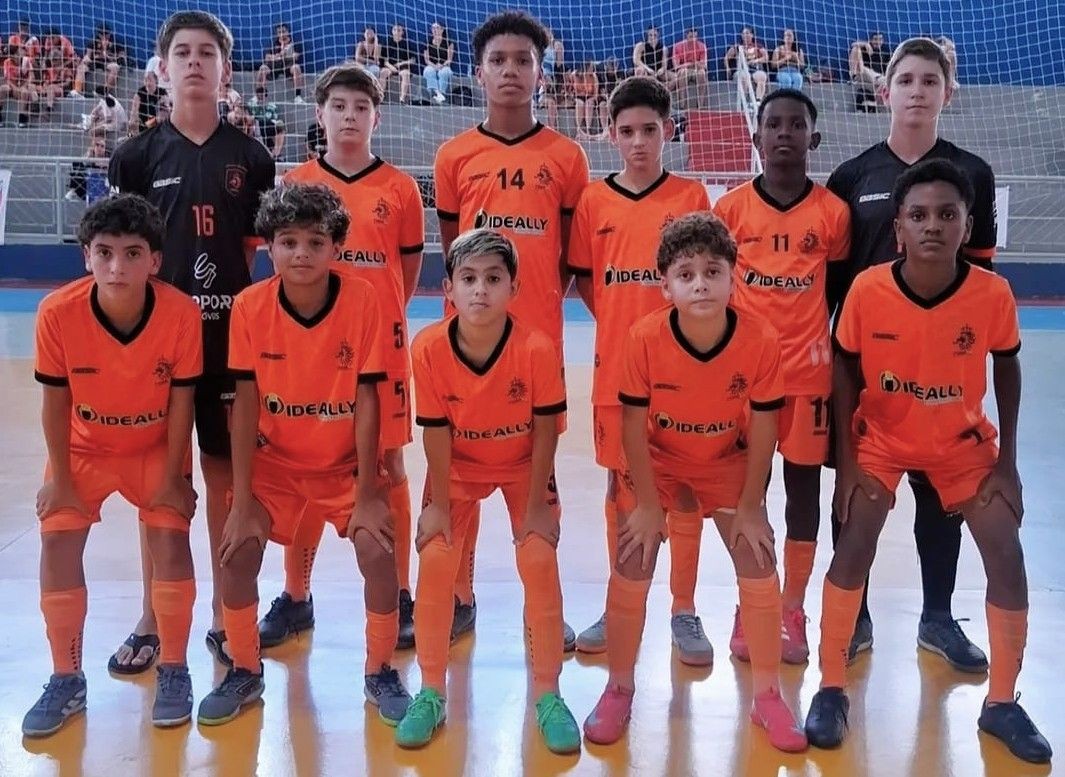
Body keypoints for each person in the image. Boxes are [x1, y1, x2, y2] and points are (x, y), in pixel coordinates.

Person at [804, 159, 1052, 766]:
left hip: (962, 447)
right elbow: (843, 365)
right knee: (853, 546)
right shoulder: (868, 290)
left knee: (1007, 552)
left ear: (967, 226)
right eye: (918, 215)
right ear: (899, 229)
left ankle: (1001, 703)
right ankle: (831, 685)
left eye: (947, 214)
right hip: (883, 441)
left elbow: (1009, 364)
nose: (933, 225)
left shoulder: (991, 293)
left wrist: (1008, 464)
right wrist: (849, 458)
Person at [581, 212, 806, 753]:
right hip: (659, 462)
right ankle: (619, 687)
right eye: (686, 273)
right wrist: (647, 505)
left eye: (713, 271)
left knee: (757, 556)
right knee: (633, 557)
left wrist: (752, 506)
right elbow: (632, 427)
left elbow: (766, 427)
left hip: (727, 463)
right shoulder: (644, 337)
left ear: (735, 278)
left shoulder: (759, 339)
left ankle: (769, 697)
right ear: (666, 285)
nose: (700, 282)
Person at [195, 182, 411, 726]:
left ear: (336, 246)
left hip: (342, 467)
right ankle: (245, 668)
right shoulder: (249, 306)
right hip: (277, 467)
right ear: (268, 246)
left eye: (315, 242)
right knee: (236, 555)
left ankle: (380, 670)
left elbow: (368, 399)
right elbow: (242, 403)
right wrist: (241, 500)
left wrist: (367, 492)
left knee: (380, 555)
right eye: (288, 241)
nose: (301, 254)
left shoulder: (363, 300)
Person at [108, 10, 276, 674]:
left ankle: (223, 614)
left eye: (208, 52)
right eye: (182, 52)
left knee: (227, 484)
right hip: (158, 352)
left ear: (225, 69)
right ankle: (154, 614)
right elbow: (122, 254)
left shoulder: (251, 157)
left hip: (230, 348)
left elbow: (252, 252)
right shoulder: (137, 155)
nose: (195, 61)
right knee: (164, 485)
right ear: (164, 67)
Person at [825, 37, 998, 673]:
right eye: (906, 80)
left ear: (947, 94)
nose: (918, 91)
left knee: (939, 496)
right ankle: (856, 615)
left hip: (944, 370)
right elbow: (836, 286)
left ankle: (937, 618)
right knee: (857, 492)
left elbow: (982, 282)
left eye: (930, 81)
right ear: (885, 91)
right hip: (869, 368)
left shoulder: (972, 173)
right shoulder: (853, 176)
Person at [433, 10, 589, 646]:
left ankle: (540, 610)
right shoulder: (454, 155)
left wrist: (535, 314)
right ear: (479, 72)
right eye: (498, 60)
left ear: (539, 73)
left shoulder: (566, 156)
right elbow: (454, 248)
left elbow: (573, 259)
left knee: (536, 485)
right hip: (463, 354)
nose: (510, 71)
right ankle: (460, 598)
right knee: (461, 485)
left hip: (537, 352)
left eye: (523, 60)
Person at [22, 194, 202, 737]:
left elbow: (182, 403)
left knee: (170, 538)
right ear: (86, 257)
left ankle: (173, 667)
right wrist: (62, 479)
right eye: (104, 253)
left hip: (153, 449)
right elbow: (55, 403)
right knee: (57, 539)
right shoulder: (57, 312)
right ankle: (66, 677)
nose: (116, 267)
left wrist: (173, 477)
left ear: (155, 261)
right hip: (85, 450)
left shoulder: (179, 313)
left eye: (131, 253)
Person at [397, 228, 580, 754]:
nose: (481, 290)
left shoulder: (537, 348)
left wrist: (539, 506)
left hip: (524, 463)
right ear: (448, 289)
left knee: (540, 560)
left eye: (493, 279)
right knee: (435, 561)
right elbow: (435, 429)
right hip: (457, 467)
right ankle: (432, 690)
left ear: (513, 288)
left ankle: (548, 693)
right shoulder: (428, 347)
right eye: (469, 279)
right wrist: (435, 504)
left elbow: (546, 428)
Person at [275, 64, 424, 652]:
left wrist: (376, 315)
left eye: (361, 108)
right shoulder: (297, 182)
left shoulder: (399, 188)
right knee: (306, 468)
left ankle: (402, 593)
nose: (349, 117)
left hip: (380, 348)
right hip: (312, 353)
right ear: (321, 115)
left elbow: (406, 272)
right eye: (338, 107)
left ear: (376, 118)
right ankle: (294, 595)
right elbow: (286, 268)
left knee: (389, 465)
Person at [568, 76, 711, 660]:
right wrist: (624, 325)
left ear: (667, 132)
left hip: (685, 375)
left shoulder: (691, 197)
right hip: (616, 376)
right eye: (626, 131)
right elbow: (584, 276)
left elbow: (707, 279)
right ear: (610, 135)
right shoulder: (595, 202)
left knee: (683, 489)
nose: (638, 141)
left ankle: (684, 608)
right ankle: (619, 600)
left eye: (649, 130)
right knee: (622, 489)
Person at [713, 89, 850, 663]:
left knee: (802, 493)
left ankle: (792, 604)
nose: (785, 133)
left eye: (797, 125)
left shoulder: (832, 214)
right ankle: (754, 599)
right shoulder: (731, 211)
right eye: (774, 124)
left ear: (813, 139)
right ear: (756, 137)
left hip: (808, 381)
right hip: (747, 384)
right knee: (749, 491)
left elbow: (837, 292)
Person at [71, 25, 125, 98]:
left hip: (108, 62)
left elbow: (121, 56)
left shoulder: (115, 42)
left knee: (115, 68)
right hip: (94, 62)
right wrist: (86, 60)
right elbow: (88, 55)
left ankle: (103, 91)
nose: (104, 36)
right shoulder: (93, 41)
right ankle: (77, 92)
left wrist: (110, 57)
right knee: (81, 67)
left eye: (106, 34)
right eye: (102, 34)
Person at [256, 23, 304, 103]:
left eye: (283, 31)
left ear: (288, 32)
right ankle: (258, 96)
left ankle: (298, 97)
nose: (282, 34)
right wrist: (280, 55)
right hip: (275, 68)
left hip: (288, 68)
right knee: (262, 68)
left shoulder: (294, 43)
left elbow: (295, 56)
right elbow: (267, 57)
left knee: (296, 68)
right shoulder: (274, 43)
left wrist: (282, 56)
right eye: (279, 32)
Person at [724, 25, 769, 103]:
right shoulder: (737, 47)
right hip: (741, 71)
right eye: (743, 34)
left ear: (752, 35)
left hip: (755, 69)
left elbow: (766, 58)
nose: (745, 35)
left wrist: (756, 61)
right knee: (744, 77)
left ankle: (758, 101)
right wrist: (728, 68)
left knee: (762, 76)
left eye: (747, 33)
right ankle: (744, 102)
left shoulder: (758, 46)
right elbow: (726, 58)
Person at [64, 128, 110, 201]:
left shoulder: (109, 156)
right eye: (97, 145)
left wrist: (104, 165)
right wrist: (88, 158)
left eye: (102, 146)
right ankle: (73, 188)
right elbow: (81, 166)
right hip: (88, 186)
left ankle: (74, 188)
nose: (99, 148)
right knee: (77, 163)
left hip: (104, 186)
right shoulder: (89, 154)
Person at [1, 39, 39, 127]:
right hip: (13, 87)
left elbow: (32, 76)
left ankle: (22, 119)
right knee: (3, 88)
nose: (22, 51)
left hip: (23, 87)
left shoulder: (26, 61)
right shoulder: (7, 62)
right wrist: (16, 88)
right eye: (20, 50)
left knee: (25, 92)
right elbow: (8, 80)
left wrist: (23, 86)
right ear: (14, 55)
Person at [849, 32, 890, 111]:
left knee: (887, 82)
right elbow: (853, 45)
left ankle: (873, 103)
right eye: (875, 39)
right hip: (863, 73)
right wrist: (865, 44)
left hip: (878, 77)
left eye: (880, 39)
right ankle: (853, 77)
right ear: (870, 40)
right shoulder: (864, 49)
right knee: (856, 49)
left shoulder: (885, 50)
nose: (878, 41)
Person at [672, 27, 710, 108]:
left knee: (702, 73)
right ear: (686, 35)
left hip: (697, 70)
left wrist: (695, 64)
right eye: (691, 37)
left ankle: (700, 105)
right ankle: (682, 105)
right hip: (684, 70)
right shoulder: (677, 46)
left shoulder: (702, 46)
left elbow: (704, 66)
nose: (693, 39)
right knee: (683, 72)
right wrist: (691, 64)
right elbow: (676, 67)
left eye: (695, 37)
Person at [380, 24, 417, 104]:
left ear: (402, 32)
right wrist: (391, 67)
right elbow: (384, 60)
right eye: (395, 30)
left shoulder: (406, 44)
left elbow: (413, 60)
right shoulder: (387, 43)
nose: (396, 32)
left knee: (406, 74)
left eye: (399, 30)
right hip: (390, 67)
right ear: (392, 31)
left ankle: (402, 99)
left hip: (403, 67)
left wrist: (401, 63)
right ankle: (381, 98)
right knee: (383, 72)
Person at [247, 86, 287, 160]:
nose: (260, 98)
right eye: (259, 96)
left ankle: (276, 154)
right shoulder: (251, 104)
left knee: (280, 124)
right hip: (256, 125)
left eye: (262, 96)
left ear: (266, 96)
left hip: (268, 124)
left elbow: (274, 118)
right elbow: (249, 116)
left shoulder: (272, 106)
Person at [422, 21, 454, 104]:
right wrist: (434, 66)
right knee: (428, 71)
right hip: (432, 65)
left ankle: (441, 93)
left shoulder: (449, 43)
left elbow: (449, 59)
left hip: (444, 66)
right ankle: (437, 93)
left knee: (444, 73)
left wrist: (442, 65)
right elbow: (427, 60)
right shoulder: (427, 43)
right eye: (433, 28)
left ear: (442, 30)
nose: (435, 30)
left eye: (437, 28)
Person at [129, 70, 166, 136]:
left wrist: (148, 124)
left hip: (157, 123)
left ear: (156, 81)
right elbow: (134, 112)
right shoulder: (139, 93)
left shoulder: (162, 93)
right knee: (132, 123)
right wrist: (134, 122)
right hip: (142, 123)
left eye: (149, 79)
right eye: (145, 80)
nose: (147, 83)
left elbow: (162, 116)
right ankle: (130, 137)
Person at [569, 60, 598, 139]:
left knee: (589, 104)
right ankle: (579, 130)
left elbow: (596, 93)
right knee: (580, 104)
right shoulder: (574, 75)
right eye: (591, 67)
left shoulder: (594, 76)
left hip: (589, 97)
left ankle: (588, 130)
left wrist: (593, 99)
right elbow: (569, 88)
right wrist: (571, 96)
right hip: (578, 97)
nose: (592, 69)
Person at [594, 57, 622, 140]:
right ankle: (605, 130)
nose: (613, 70)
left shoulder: (620, 74)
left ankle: (617, 130)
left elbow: (621, 90)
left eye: (615, 68)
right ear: (606, 66)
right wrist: (607, 97)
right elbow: (601, 91)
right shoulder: (601, 74)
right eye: (611, 68)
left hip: (617, 98)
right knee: (603, 104)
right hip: (604, 98)